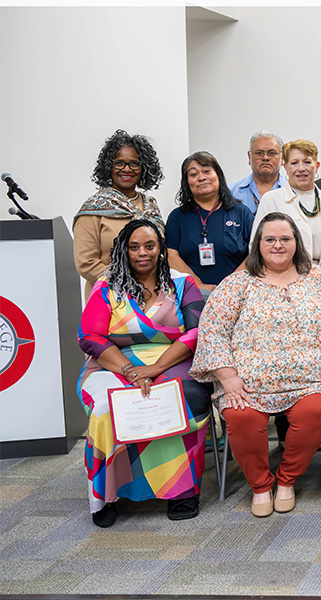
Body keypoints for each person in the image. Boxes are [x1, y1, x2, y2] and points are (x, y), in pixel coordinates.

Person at [191, 212, 321, 518]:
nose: (277, 245)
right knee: (240, 415)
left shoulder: (320, 278)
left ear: (296, 242)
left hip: (309, 380)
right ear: (257, 243)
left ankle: (286, 481)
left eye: (285, 238)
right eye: (269, 239)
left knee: (315, 410)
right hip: (245, 382)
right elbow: (212, 331)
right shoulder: (237, 283)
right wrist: (228, 379)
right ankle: (260, 485)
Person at [77, 220, 209, 527]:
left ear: (161, 249)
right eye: (133, 247)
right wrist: (129, 370)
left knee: (179, 399)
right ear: (123, 250)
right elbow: (90, 337)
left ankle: (182, 491)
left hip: (171, 358)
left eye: (149, 246)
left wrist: (155, 368)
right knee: (106, 407)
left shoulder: (182, 283)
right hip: (112, 362)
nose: (142, 253)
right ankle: (105, 496)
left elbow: (195, 332)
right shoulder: (107, 286)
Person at [74, 129, 166, 298]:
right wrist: (128, 283)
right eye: (119, 163)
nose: (127, 169)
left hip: (152, 297)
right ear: (109, 167)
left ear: (143, 168)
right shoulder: (94, 209)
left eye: (134, 163)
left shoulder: (151, 207)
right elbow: (86, 263)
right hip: (109, 298)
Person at [166, 151, 255, 295]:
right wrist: (199, 285)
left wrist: (230, 285)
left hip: (238, 292)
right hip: (192, 295)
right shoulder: (177, 217)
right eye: (193, 174)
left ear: (218, 175)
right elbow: (171, 255)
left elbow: (256, 252)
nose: (201, 178)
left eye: (207, 171)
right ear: (187, 182)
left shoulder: (241, 213)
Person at [254, 139, 321, 277]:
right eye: (294, 163)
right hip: (285, 281)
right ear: (285, 167)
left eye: (307, 162)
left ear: (317, 166)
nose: (301, 168)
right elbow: (256, 247)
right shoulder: (271, 200)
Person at [229, 130, 287, 214]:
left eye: (272, 153)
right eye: (259, 153)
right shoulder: (231, 192)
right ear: (249, 157)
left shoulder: (292, 193)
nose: (265, 158)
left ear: (282, 158)